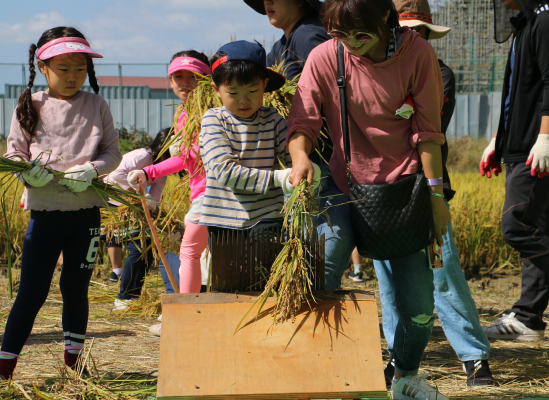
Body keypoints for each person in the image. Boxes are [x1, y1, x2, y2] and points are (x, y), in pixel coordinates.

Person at [286, 0, 452, 398]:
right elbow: (302, 119)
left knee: (419, 308)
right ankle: (315, 374)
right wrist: (300, 157)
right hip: (343, 185)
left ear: (385, 18)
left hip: (403, 190)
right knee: (324, 272)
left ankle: (405, 376)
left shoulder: (418, 54)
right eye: (341, 35)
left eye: (361, 34)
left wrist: (436, 197)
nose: (352, 45)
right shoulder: (328, 56)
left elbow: (428, 132)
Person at [372, 0, 494, 387]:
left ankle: (474, 357)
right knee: (389, 279)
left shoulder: (439, 73)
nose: (412, 37)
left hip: (426, 189)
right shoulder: (367, 71)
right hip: (379, 190)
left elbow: (417, 126)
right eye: (403, 29)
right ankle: (398, 359)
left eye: (419, 31)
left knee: (443, 272)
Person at [0, 27, 122, 380]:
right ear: (43, 66)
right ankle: (3, 372)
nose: (72, 77)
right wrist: (26, 173)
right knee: (31, 292)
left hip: (86, 216)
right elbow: (14, 153)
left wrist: (93, 169)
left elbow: (113, 152)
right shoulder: (31, 104)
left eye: (79, 69)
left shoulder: (97, 104)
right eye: (63, 68)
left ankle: (74, 369)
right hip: (45, 214)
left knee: (76, 290)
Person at [128, 50, 212, 335]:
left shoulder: (216, 107)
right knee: (199, 253)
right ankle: (193, 316)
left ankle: (185, 317)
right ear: (170, 80)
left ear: (207, 78)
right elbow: (183, 159)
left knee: (190, 251)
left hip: (219, 192)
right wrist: (148, 172)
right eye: (179, 76)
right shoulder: (182, 114)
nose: (185, 83)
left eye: (194, 76)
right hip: (200, 192)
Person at [480, 0, 549, 342]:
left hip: (536, 147)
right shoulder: (523, 24)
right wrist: (497, 141)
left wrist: (546, 135)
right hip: (518, 144)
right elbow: (515, 95)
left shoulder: (545, 19)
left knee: (517, 225)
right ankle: (528, 319)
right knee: (537, 227)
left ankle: (527, 316)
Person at [198, 40, 302, 262]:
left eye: (253, 90)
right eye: (233, 92)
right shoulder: (214, 120)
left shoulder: (273, 119)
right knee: (231, 286)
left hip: (268, 215)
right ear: (216, 90)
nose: (243, 100)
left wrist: (303, 165)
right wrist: (278, 177)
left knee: (262, 276)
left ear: (264, 85)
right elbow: (225, 172)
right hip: (224, 218)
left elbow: (292, 157)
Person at [243, 0, 334, 165]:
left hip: (323, 159)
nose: (267, 2)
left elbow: (333, 92)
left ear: (299, 2)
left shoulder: (307, 36)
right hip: (304, 156)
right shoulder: (281, 44)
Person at [105, 128, 170, 311]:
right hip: (117, 203)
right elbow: (116, 174)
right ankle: (124, 297)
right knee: (138, 248)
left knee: (146, 250)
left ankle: (132, 297)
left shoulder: (164, 167)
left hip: (135, 206)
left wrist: (153, 206)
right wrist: (138, 193)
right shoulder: (142, 156)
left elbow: (155, 196)